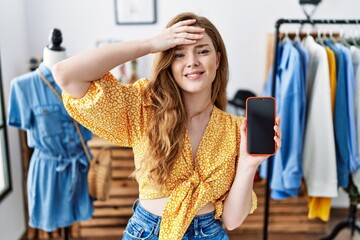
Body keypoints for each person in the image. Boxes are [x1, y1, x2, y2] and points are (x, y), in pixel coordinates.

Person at [53, 12, 281, 240]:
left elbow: (232, 220)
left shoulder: (236, 129)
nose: (192, 61)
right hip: (148, 232)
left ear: (218, 59)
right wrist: (150, 44)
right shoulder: (143, 107)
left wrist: (249, 164)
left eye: (202, 51)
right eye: (179, 55)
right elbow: (66, 74)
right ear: (169, 64)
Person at [7, 28, 94, 237]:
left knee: (73, 224)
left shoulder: (86, 82)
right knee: (52, 227)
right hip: (48, 172)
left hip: (79, 167)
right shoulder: (22, 86)